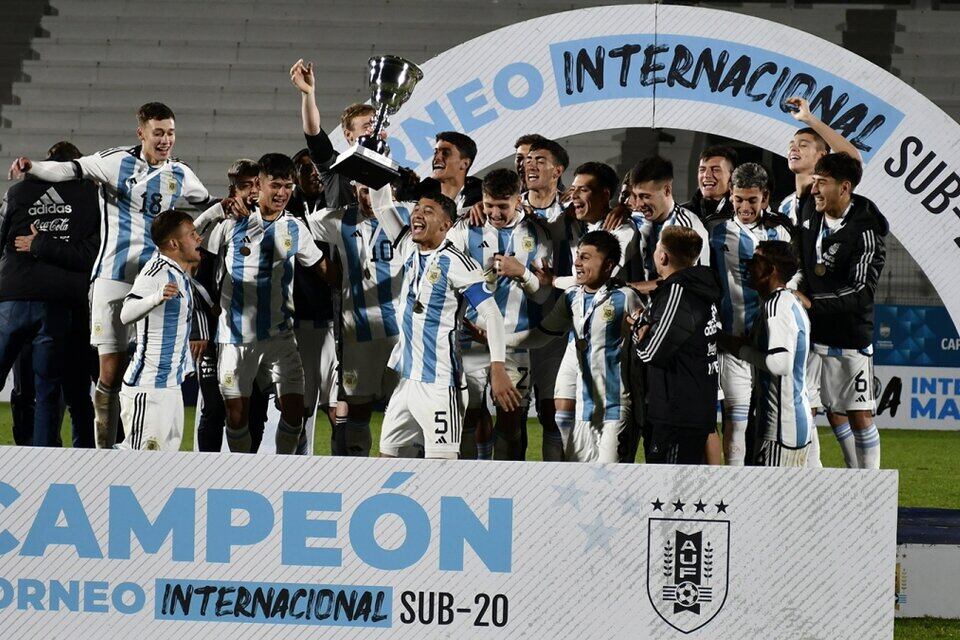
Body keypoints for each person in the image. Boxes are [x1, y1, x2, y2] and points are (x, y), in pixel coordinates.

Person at [7, 102, 211, 449]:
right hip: (113, 279)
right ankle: (105, 451)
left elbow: (204, 200)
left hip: (154, 278)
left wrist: (225, 206)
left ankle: (137, 442)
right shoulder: (116, 162)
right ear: (141, 132)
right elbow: (70, 169)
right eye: (158, 132)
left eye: (171, 133)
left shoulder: (180, 173)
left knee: (149, 364)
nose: (165, 140)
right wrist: (34, 167)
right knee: (110, 372)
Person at [368, 186, 521, 459]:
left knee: (441, 472)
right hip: (406, 383)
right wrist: (371, 164)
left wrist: (498, 367)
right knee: (386, 461)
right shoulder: (408, 247)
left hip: (441, 385)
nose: (417, 214)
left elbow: (492, 315)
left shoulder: (459, 263)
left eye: (428, 211)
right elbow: (381, 207)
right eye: (417, 209)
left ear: (446, 225)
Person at [197, 153, 333, 454]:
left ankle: (281, 471)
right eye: (276, 185)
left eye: (288, 186)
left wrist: (348, 289)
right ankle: (241, 473)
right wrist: (214, 211)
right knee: (236, 416)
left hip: (280, 338)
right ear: (259, 184)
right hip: (235, 339)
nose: (282, 193)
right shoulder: (232, 222)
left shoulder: (294, 228)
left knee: (295, 410)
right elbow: (190, 242)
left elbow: (322, 268)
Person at [0, 141, 100, 447]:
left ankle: (27, 452)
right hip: (61, 306)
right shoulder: (91, 197)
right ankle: (47, 464)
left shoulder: (17, 193)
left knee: (27, 388)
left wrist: (39, 243)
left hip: (12, 299)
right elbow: (88, 255)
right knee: (50, 391)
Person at [509, 230, 639, 462]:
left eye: (586, 257)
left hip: (616, 408)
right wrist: (496, 340)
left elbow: (646, 342)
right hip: (583, 410)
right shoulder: (571, 298)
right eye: (578, 255)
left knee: (613, 483)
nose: (577, 262)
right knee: (581, 482)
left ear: (609, 265)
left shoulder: (626, 297)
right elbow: (540, 336)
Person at [449, 168, 551, 460]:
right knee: (469, 416)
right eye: (489, 204)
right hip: (468, 339)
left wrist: (522, 273)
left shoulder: (537, 233)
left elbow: (543, 294)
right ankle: (470, 483)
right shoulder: (465, 228)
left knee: (510, 418)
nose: (494, 213)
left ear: (518, 200)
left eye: (503, 206)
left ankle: (511, 487)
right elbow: (450, 280)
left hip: (514, 343)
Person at [304, 181, 412, 458]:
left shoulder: (410, 215)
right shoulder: (341, 220)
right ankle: (357, 468)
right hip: (357, 333)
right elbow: (298, 224)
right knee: (357, 407)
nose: (370, 197)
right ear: (355, 191)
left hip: (400, 336)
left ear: (391, 191)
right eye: (364, 190)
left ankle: (404, 464)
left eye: (376, 190)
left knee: (403, 406)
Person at [794, 152, 886, 469]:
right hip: (813, 335)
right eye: (814, 181)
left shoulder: (866, 232)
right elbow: (803, 263)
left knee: (858, 415)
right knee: (804, 407)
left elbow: (861, 291)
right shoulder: (809, 209)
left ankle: (868, 485)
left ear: (844, 187)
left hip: (850, 338)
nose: (815, 188)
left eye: (822, 183)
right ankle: (815, 477)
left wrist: (811, 302)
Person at [708, 163, 793, 465]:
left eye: (752, 200)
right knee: (737, 421)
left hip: (773, 342)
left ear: (765, 197)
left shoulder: (780, 230)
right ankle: (732, 489)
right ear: (730, 194)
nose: (745, 207)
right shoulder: (714, 230)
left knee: (775, 421)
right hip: (733, 342)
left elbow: (791, 281)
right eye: (738, 199)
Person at [192, 159, 271, 453]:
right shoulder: (219, 227)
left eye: (255, 185)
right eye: (243, 186)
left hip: (259, 335)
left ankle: (246, 471)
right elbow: (198, 280)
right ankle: (207, 472)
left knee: (255, 411)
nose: (251, 192)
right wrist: (200, 327)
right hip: (217, 334)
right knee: (213, 408)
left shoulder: (274, 225)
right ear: (231, 190)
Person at [633, 226, 722, 465]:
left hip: (676, 413)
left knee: (669, 494)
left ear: (663, 256)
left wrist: (635, 331)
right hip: (693, 406)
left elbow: (652, 352)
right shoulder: (700, 286)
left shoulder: (679, 290)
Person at [721, 240, 813, 466]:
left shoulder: (777, 306)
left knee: (769, 500)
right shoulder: (787, 301)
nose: (748, 267)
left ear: (771, 270)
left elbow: (781, 363)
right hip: (790, 422)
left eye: (755, 261)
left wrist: (740, 349)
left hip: (780, 428)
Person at [118, 210, 201, 451]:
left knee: (163, 468)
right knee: (137, 463)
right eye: (193, 234)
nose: (199, 239)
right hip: (148, 388)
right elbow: (126, 313)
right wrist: (156, 297)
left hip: (171, 387)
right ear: (174, 243)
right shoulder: (156, 271)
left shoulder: (176, 270)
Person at [522, 137, 572, 461]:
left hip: (555, 328)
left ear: (558, 170)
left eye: (540, 160)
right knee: (508, 415)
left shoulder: (572, 210)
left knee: (551, 414)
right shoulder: (504, 206)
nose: (531, 165)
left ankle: (553, 491)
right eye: (528, 160)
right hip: (512, 325)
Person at [287, 148, 339, 455]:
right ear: (295, 175)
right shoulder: (285, 208)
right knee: (300, 408)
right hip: (301, 321)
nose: (315, 174)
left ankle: (342, 470)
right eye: (307, 169)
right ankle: (298, 469)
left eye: (319, 169)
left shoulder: (336, 202)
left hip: (336, 321)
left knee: (337, 407)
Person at [291, 58, 377, 209]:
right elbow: (314, 133)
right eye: (367, 126)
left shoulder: (396, 174)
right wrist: (308, 94)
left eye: (376, 126)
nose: (373, 130)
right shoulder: (336, 169)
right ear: (349, 135)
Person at [778, 97, 863, 225]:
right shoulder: (785, 206)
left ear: (821, 155)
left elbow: (853, 160)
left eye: (803, 145)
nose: (794, 149)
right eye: (791, 146)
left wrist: (808, 118)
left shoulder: (830, 195)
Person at [422, 131, 482, 211]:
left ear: (464, 164)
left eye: (445, 153)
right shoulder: (421, 195)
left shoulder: (483, 196)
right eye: (435, 152)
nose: (436, 158)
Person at [683, 145, 737, 226]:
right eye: (702, 170)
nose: (706, 175)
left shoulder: (741, 216)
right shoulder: (681, 213)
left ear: (732, 176)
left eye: (715, 170)